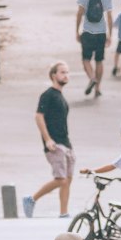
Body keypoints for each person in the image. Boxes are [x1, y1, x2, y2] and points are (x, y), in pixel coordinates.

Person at [23, 62, 73, 219]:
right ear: (54, 75)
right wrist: (48, 139)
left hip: (66, 142)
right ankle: (31, 199)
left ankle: (64, 212)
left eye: (67, 72)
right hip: (54, 143)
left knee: (67, 179)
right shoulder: (48, 95)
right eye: (62, 72)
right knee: (61, 179)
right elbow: (39, 116)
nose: (66, 75)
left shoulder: (60, 96)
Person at [76, 0, 113, 98]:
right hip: (101, 33)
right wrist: (110, 34)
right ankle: (97, 88)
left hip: (87, 32)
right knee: (99, 61)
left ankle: (92, 78)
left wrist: (76, 30)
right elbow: (109, 16)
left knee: (86, 59)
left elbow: (79, 13)